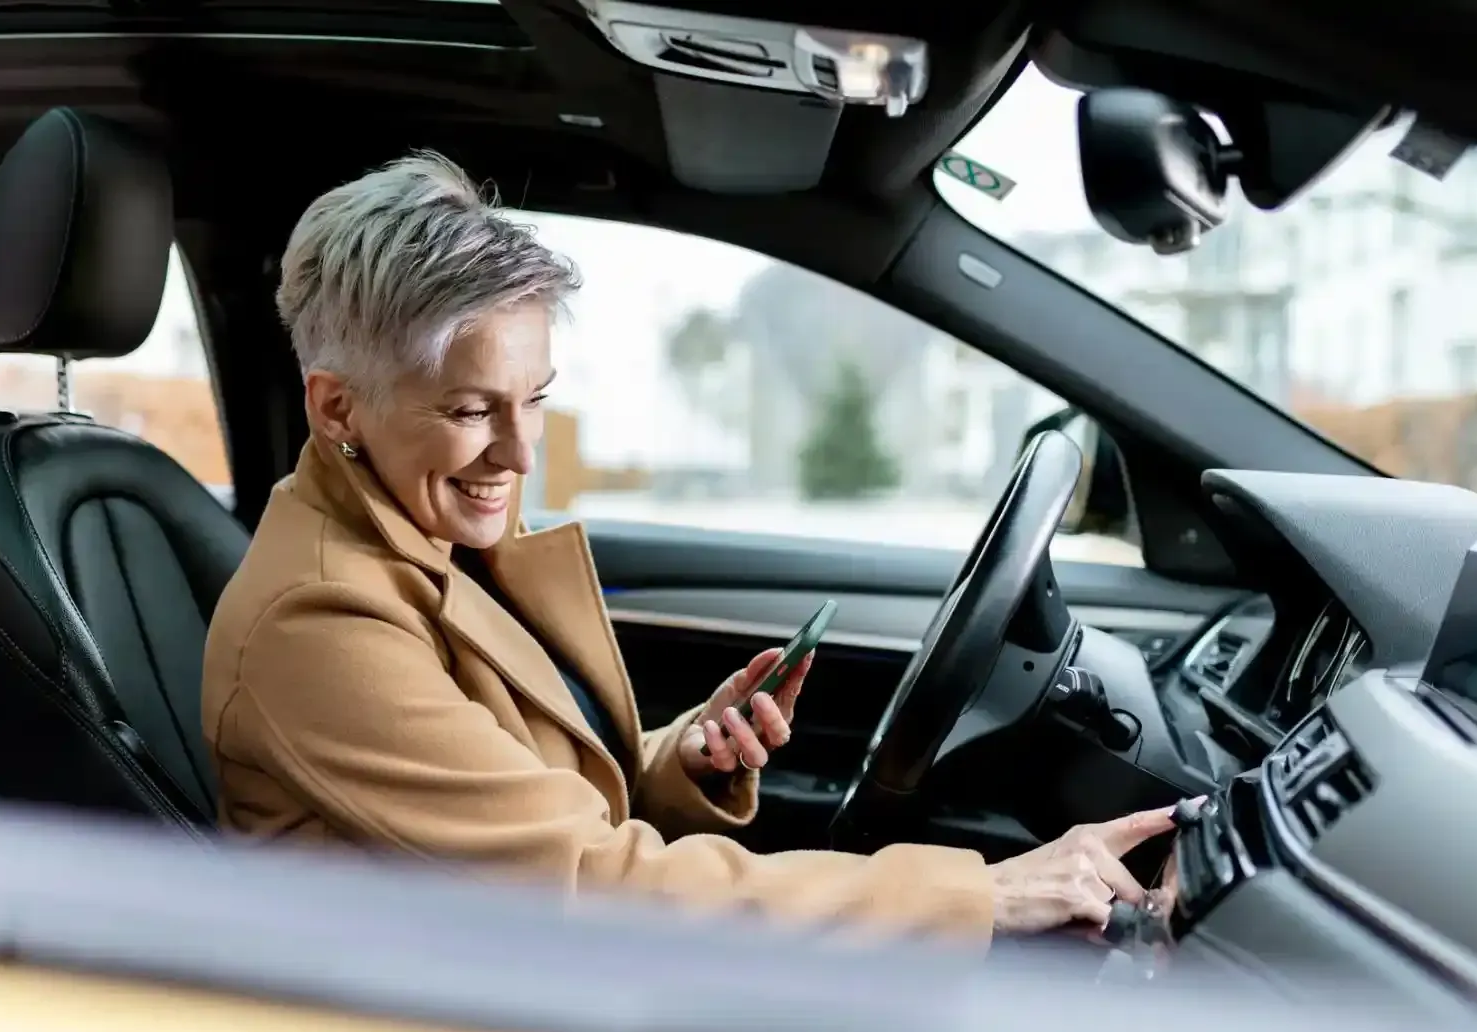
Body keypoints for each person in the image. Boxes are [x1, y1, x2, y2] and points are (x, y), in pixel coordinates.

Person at [201, 152, 1174, 949]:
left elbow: (527, 801)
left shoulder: (421, 530)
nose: (519, 449)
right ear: (337, 407)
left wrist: (684, 760)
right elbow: (587, 876)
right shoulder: (321, 616)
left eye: (534, 398)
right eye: (469, 410)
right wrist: (981, 896)